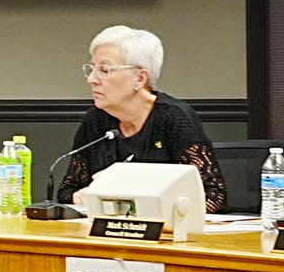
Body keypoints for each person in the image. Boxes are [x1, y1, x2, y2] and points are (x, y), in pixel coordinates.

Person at [59, 24, 226, 212]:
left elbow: (213, 196)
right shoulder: (95, 120)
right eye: (92, 68)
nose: (92, 79)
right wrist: (79, 196)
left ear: (140, 78)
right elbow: (66, 191)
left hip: (165, 236)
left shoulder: (174, 118)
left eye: (105, 70)